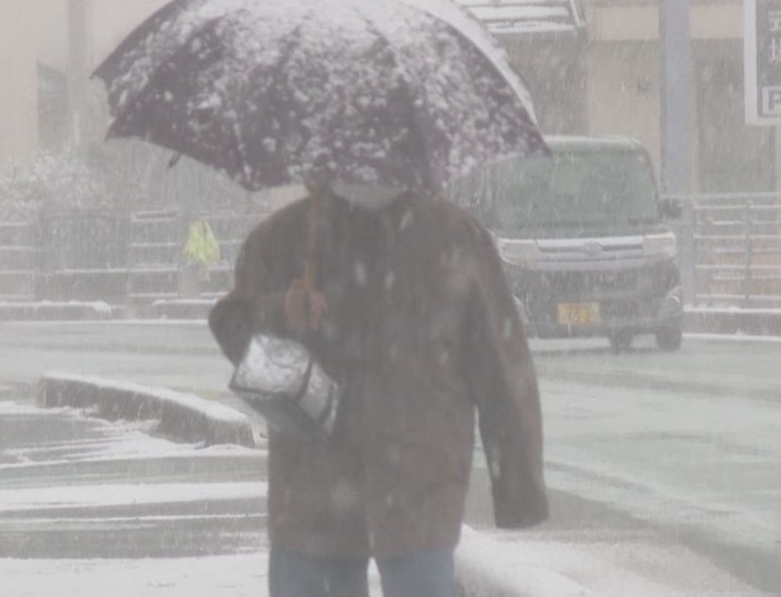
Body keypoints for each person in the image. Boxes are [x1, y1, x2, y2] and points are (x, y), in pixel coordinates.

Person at [208, 182, 548, 597]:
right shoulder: (290, 237)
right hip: (341, 485)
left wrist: (518, 487)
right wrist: (283, 311)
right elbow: (502, 366)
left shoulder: (452, 237)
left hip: (382, 485)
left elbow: (498, 364)